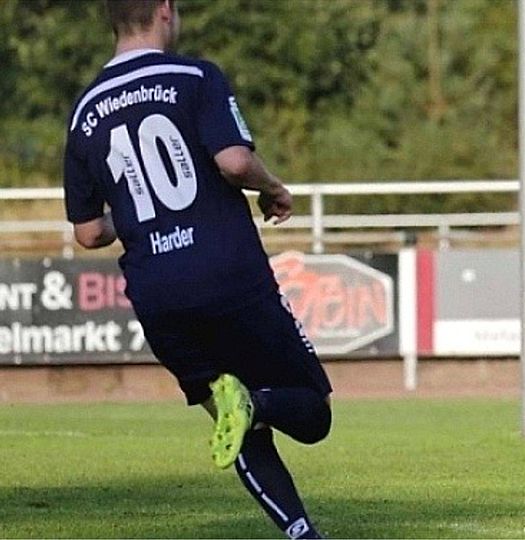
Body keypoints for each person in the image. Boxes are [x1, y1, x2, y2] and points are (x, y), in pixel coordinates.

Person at [63, 1, 333, 538]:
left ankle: (301, 532)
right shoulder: (194, 76)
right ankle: (256, 404)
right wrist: (275, 187)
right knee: (312, 415)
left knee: (238, 427)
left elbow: (89, 232)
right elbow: (233, 161)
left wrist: (138, 209)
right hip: (228, 275)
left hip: (159, 296)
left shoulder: (83, 111)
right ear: (165, 9)